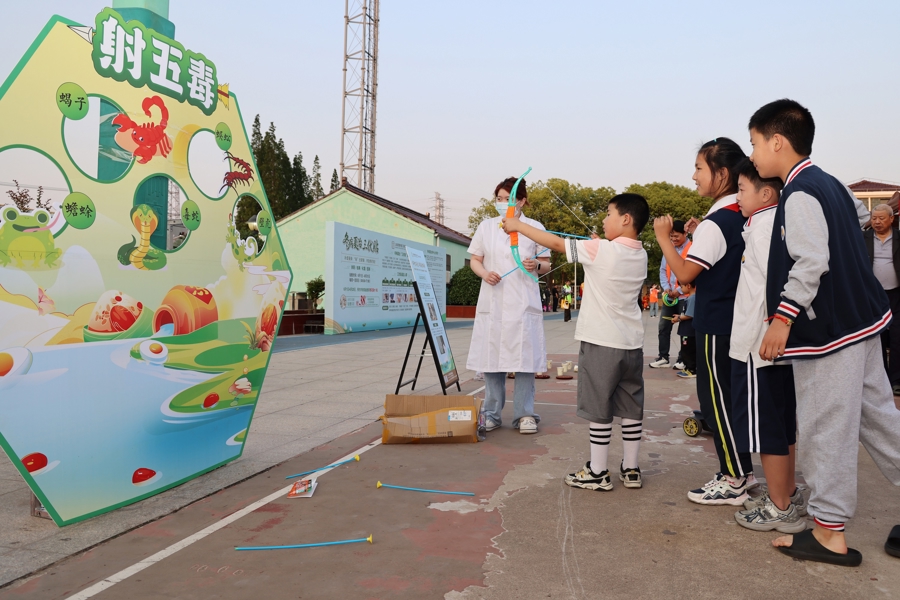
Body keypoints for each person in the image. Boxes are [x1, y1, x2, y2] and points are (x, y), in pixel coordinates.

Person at [750, 99, 900, 566]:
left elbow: (810, 261)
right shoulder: (830, 183)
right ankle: (829, 524)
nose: (753, 154)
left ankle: (829, 531)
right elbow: (859, 223)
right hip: (862, 321)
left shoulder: (798, 193)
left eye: (755, 143)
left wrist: (782, 319)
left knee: (824, 429)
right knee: (879, 419)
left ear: (777, 142)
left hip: (829, 333)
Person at [503, 194, 649, 490]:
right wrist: (599, 245)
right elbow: (608, 257)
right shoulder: (640, 253)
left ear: (625, 219)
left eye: (608, 214)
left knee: (598, 407)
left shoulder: (601, 249)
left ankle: (598, 471)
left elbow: (556, 244)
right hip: (631, 345)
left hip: (601, 342)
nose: (604, 220)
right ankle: (631, 469)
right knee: (630, 406)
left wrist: (516, 225)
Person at [654, 137, 756, 505]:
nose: (694, 176)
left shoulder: (717, 222)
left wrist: (664, 238)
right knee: (731, 398)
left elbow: (683, 274)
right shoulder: (743, 215)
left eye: (699, 168)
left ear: (722, 174)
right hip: (738, 320)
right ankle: (742, 471)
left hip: (715, 323)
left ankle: (733, 479)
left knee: (717, 402)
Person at [724, 157, 807, 534]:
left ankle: (780, 507)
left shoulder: (763, 228)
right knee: (782, 423)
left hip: (759, 347)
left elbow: (774, 286)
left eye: (741, 189)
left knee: (767, 427)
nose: (737, 197)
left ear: (767, 193)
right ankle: (786, 492)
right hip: (771, 344)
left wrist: (773, 326)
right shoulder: (771, 223)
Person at [466, 176, 550, 434]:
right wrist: (484, 273)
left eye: (509, 199)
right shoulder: (487, 227)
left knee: (525, 359)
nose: (503, 203)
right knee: (491, 359)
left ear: (522, 201)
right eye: (499, 199)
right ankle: (491, 413)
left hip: (523, 302)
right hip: (494, 300)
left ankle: (525, 415)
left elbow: (546, 263)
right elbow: (475, 260)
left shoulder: (534, 227)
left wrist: (536, 265)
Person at [864, 204, 900, 395]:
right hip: (873, 296)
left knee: (897, 337)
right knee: (878, 337)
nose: (877, 222)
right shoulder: (864, 238)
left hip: (896, 295)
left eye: (881, 218)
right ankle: (882, 380)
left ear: (891, 219)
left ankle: (896, 380)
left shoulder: (899, 237)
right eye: (874, 218)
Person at [649, 220, 690, 369]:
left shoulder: (692, 248)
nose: (673, 239)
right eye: (671, 236)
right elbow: (662, 270)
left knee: (685, 330)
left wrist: (679, 290)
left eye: (676, 236)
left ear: (685, 233)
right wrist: (666, 288)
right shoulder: (669, 248)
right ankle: (663, 357)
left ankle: (683, 359)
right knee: (663, 327)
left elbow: (692, 272)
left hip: (685, 297)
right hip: (669, 297)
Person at [672, 281, 696, 378]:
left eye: (682, 287)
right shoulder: (690, 298)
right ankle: (687, 368)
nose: (681, 289)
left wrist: (678, 318)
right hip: (686, 329)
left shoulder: (692, 298)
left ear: (688, 286)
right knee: (685, 350)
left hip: (689, 331)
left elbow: (690, 315)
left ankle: (691, 369)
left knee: (688, 350)